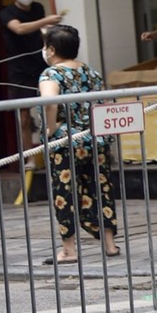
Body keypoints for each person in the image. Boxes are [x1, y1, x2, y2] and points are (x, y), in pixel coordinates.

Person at [38, 24, 119, 265]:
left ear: (51, 49)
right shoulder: (91, 73)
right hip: (96, 140)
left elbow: (49, 103)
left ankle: (69, 250)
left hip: (66, 143)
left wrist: (50, 129)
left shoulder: (51, 74)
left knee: (65, 193)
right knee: (101, 189)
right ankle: (110, 244)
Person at [0, 0, 62, 154]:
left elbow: (39, 32)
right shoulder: (7, 13)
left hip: (40, 65)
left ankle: (54, 149)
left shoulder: (38, 8)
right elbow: (19, 29)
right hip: (19, 70)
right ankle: (29, 157)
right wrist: (45, 20)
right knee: (24, 116)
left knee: (50, 107)